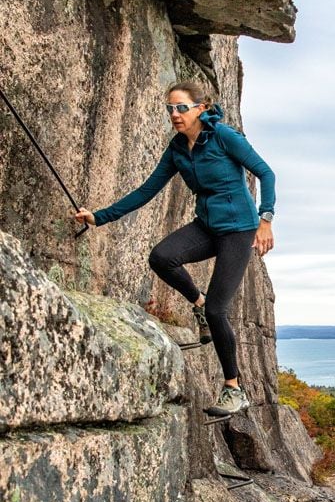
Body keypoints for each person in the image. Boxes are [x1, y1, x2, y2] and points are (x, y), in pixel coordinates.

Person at [75, 80, 275, 416]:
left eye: (181, 107)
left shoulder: (224, 137)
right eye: (170, 108)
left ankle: (233, 388)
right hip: (207, 226)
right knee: (161, 257)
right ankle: (197, 302)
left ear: (200, 108)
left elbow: (266, 173)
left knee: (218, 312)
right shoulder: (178, 149)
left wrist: (265, 219)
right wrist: (99, 217)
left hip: (238, 231)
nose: (174, 114)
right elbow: (147, 190)